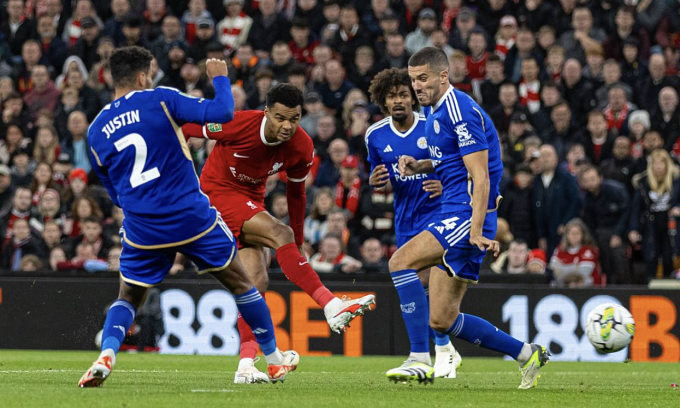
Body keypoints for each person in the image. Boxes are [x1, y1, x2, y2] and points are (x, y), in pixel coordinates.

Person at [79, 47, 296, 388]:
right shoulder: (160, 99)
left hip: (143, 226)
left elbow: (114, 190)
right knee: (243, 283)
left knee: (128, 297)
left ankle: (107, 353)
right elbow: (223, 112)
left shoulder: (96, 130)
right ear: (142, 77)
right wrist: (220, 77)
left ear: (109, 77)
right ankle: (273, 360)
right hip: (190, 216)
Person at [181, 83, 375, 384]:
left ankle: (246, 365)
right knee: (278, 232)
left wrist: (297, 241)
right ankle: (331, 305)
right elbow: (188, 128)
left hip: (251, 201)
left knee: (255, 283)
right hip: (215, 193)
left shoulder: (302, 146)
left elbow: (297, 194)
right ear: (266, 112)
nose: (287, 126)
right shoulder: (238, 123)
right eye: (280, 118)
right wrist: (179, 175)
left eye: (294, 119)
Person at [389, 47, 549, 387]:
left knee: (400, 262)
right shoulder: (435, 113)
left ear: (443, 76)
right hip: (456, 211)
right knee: (441, 320)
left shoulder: (458, 109)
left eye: (423, 78)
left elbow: (481, 175)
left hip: (466, 213)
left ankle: (419, 359)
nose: (416, 86)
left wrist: (476, 229)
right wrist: (419, 165)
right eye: (413, 79)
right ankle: (527, 353)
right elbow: (451, 160)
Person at [366, 67, 461, 379]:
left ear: (413, 99)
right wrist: (375, 180)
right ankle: (445, 349)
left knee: (425, 282)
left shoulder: (432, 125)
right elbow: (378, 173)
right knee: (421, 289)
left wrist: (444, 186)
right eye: (392, 96)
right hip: (405, 218)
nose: (398, 101)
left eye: (404, 95)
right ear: (383, 100)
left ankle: (424, 354)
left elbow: (457, 164)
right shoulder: (374, 135)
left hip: (438, 214)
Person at [630, 149, 680, 281]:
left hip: (671, 225)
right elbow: (636, 208)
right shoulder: (643, 183)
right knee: (651, 256)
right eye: (655, 163)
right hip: (650, 225)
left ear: (667, 164)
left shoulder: (676, 181)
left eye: (661, 163)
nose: (658, 166)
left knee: (670, 256)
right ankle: (651, 286)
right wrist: (633, 229)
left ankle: (671, 284)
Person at [580, 165, 631, 284]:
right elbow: (589, 223)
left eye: (592, 179)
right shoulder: (586, 198)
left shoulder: (616, 190)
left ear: (600, 178)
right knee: (604, 262)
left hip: (619, 230)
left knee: (619, 259)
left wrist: (618, 234)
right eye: (586, 180)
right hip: (600, 233)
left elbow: (626, 213)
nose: (590, 183)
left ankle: (626, 288)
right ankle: (609, 287)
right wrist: (593, 241)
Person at [549, 218, 602, 287]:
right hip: (564, 284)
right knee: (553, 283)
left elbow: (584, 273)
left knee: (582, 282)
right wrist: (575, 267)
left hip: (588, 286)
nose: (575, 236)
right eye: (572, 234)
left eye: (577, 233)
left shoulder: (589, 250)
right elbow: (554, 270)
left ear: (583, 234)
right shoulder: (560, 249)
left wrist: (562, 267)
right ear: (567, 235)